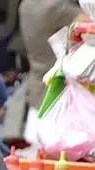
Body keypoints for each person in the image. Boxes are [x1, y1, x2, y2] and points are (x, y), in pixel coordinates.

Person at [20, 0, 89, 146]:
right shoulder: (57, 7)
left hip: (38, 89)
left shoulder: (26, 5)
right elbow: (89, 26)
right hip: (62, 97)